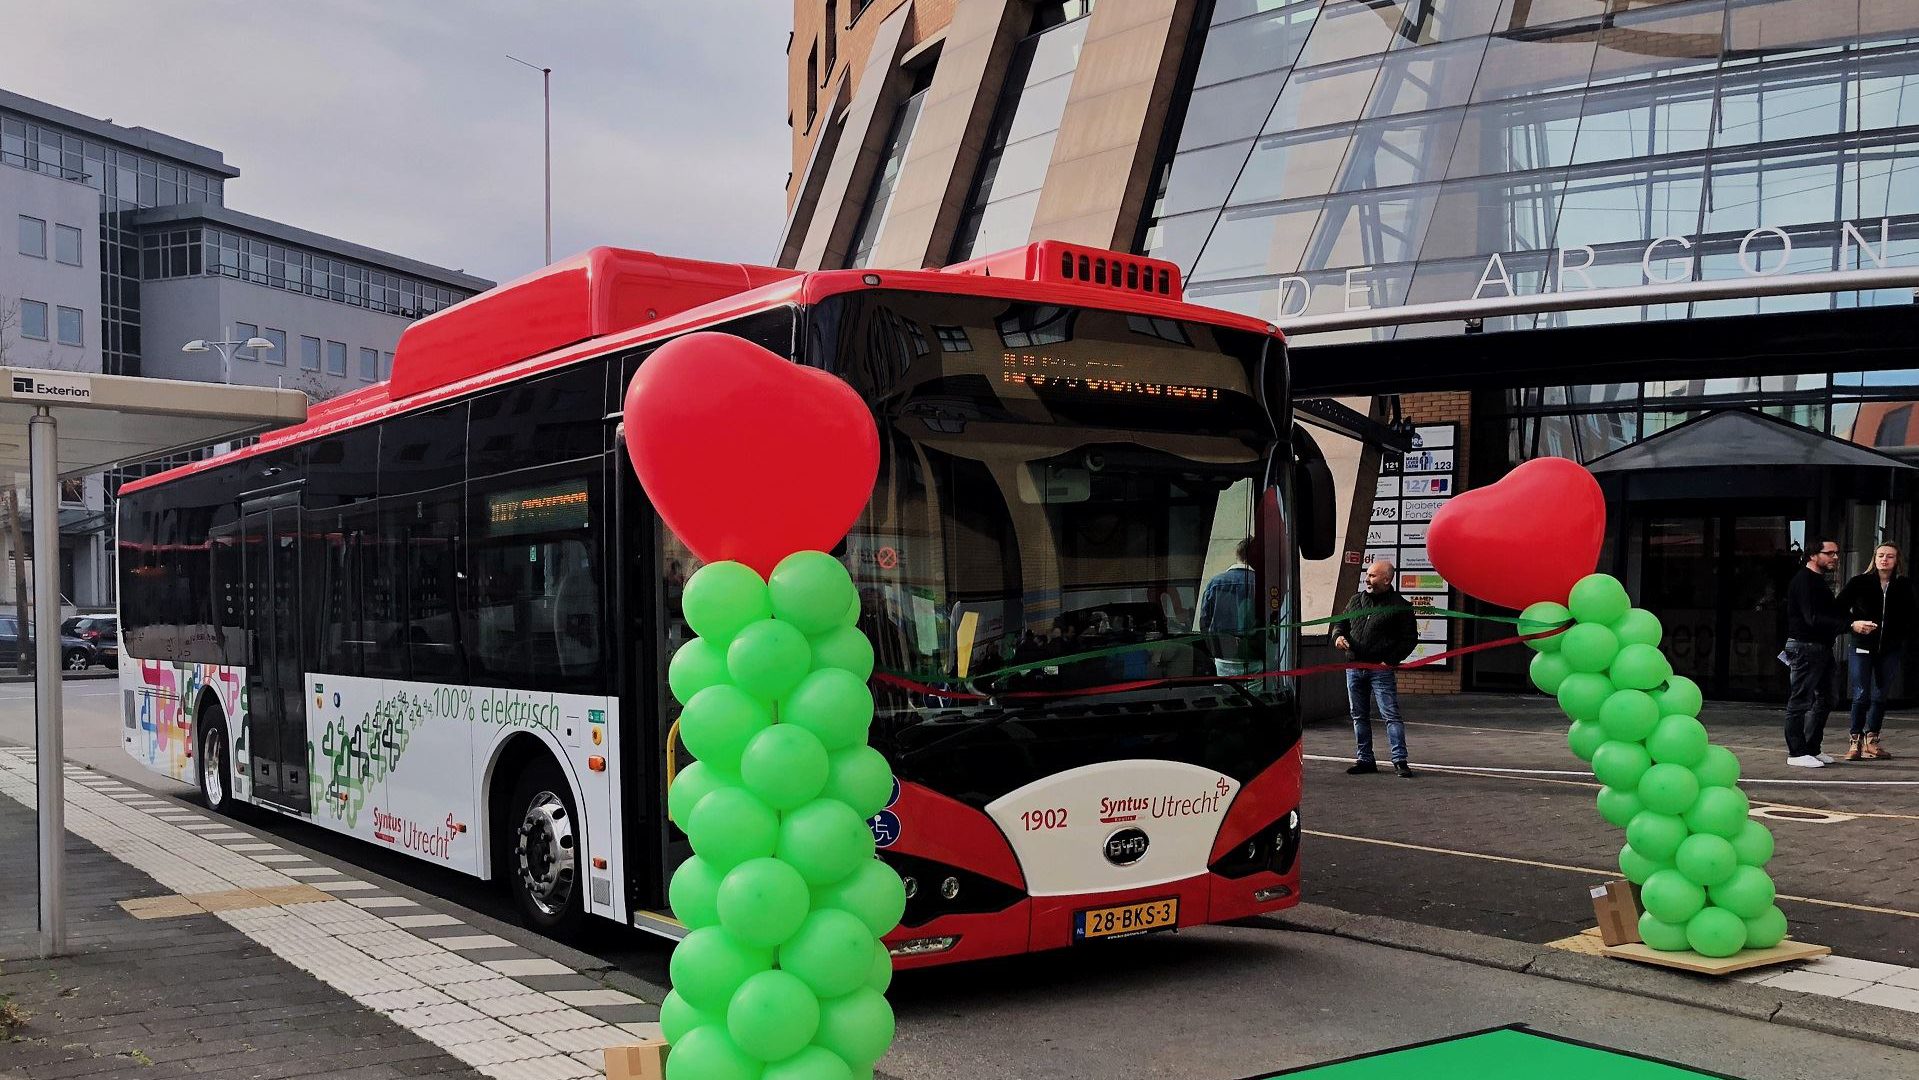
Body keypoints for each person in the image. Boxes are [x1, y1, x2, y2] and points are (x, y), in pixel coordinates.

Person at [1784, 537, 1878, 768]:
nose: (1835, 557)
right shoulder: (1804, 581)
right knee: (1801, 699)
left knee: (1827, 698)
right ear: (1813, 555)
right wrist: (1850, 626)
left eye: (1836, 553)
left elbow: (1832, 613)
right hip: (1805, 647)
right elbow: (1812, 618)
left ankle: (1812, 748)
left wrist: (1853, 620)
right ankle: (1796, 752)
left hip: (1820, 648)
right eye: (1830, 553)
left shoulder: (1818, 581)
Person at [1335, 559, 1419, 777]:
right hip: (1354, 667)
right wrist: (1338, 636)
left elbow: (1409, 639)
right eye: (1367, 574)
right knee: (1358, 715)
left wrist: (1389, 661)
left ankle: (1400, 760)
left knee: (1390, 715)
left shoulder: (1400, 606)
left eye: (1372, 576)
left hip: (1380, 670)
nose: (1367, 579)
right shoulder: (1355, 600)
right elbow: (1340, 623)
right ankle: (1365, 760)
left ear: (1386, 579)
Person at [1836, 542, 1908, 761]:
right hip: (1862, 645)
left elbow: (1911, 616)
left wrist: (1901, 637)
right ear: (1874, 559)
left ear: (1897, 561)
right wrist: (1853, 623)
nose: (1884, 560)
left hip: (1890, 648)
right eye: (1880, 555)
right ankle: (1855, 740)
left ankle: (1872, 739)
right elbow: (1837, 608)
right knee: (1861, 694)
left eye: (1889, 557)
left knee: (1880, 695)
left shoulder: (1903, 585)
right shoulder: (1859, 582)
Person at [1198, 538, 1259, 676]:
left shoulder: (1214, 583)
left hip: (1223, 658)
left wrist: (1213, 650)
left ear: (1238, 555)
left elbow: (1204, 622)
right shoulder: (1261, 583)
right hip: (1256, 658)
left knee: (1225, 696)